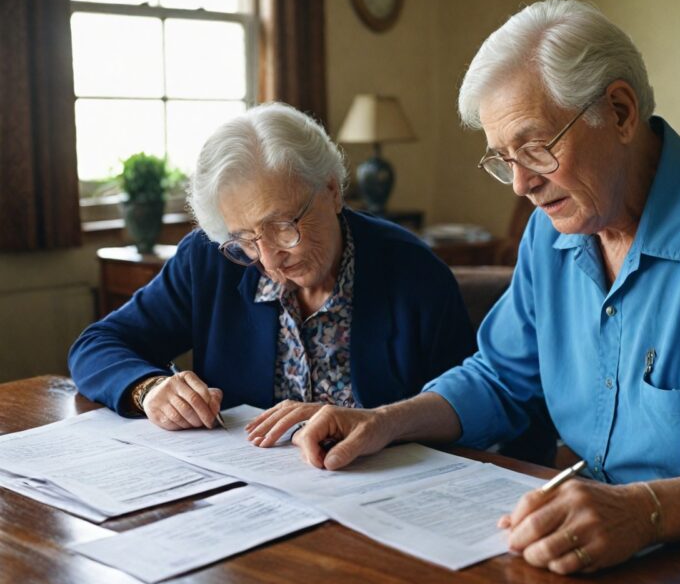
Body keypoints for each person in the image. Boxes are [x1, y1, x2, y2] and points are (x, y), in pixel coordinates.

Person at [290, 0, 680, 574]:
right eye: (502, 158)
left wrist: (638, 512)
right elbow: (500, 378)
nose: (520, 185)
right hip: (608, 550)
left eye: (536, 148)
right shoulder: (556, 229)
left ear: (619, 111)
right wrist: (385, 421)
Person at [69, 102, 475, 439]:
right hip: (247, 498)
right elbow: (98, 344)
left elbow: (465, 412)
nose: (267, 259)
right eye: (245, 238)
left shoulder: (415, 275)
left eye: (283, 227)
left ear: (332, 190)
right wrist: (149, 388)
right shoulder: (211, 261)